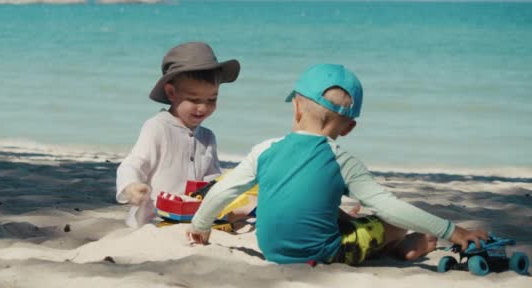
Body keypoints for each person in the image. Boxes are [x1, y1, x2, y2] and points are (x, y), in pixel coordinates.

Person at [186, 63, 488, 265]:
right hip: (323, 255)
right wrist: (454, 231)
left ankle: (380, 238)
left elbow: (223, 190)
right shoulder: (342, 160)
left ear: (295, 108)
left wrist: (201, 226)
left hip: (272, 250)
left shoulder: (264, 149)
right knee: (391, 223)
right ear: (348, 128)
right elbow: (391, 208)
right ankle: (401, 245)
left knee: (335, 212)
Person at [116, 42, 240, 228]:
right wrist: (131, 187)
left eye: (212, 99)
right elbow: (134, 163)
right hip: (152, 221)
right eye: (194, 99)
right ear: (171, 92)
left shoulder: (208, 137)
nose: (203, 107)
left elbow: (210, 178)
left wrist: (226, 182)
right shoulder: (158, 127)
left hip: (189, 220)